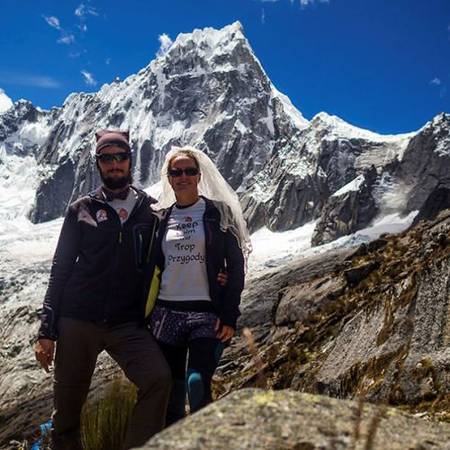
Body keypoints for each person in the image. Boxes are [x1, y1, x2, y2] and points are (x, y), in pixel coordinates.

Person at [34, 130, 171, 450]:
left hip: (126, 324)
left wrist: (218, 274)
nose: (114, 164)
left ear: (130, 160)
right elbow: (61, 268)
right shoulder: (80, 209)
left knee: (158, 379)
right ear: (97, 164)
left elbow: (173, 256)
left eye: (120, 157)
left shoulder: (151, 211)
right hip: (78, 322)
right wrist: (47, 330)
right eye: (106, 159)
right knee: (66, 414)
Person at [148, 146, 252, 426]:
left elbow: (236, 266)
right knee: (172, 392)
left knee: (197, 384)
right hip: (166, 314)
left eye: (189, 171)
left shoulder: (218, 213)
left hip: (206, 315)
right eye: (176, 172)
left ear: (199, 175)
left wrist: (229, 315)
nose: (183, 176)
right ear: (169, 178)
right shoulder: (161, 218)